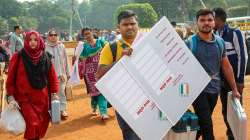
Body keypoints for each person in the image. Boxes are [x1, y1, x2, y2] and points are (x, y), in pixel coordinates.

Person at [185, 9, 241, 140]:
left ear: (214, 22)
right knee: (208, 126)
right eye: (202, 20)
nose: (206, 23)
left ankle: (187, 137)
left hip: (214, 89)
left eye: (209, 20)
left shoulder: (220, 42)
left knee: (202, 123)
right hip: (197, 91)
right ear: (197, 23)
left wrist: (234, 89)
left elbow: (226, 66)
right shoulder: (190, 43)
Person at [6, 30, 59, 140]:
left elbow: (52, 76)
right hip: (25, 99)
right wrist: (10, 96)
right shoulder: (18, 57)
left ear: (39, 41)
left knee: (41, 125)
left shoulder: (45, 57)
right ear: (26, 41)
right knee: (32, 124)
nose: (33, 42)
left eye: (35, 39)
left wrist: (54, 93)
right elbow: (10, 78)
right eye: (30, 40)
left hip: (43, 99)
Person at [96, 10, 140, 140]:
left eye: (132, 23)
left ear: (138, 25)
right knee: (131, 135)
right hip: (124, 101)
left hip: (151, 99)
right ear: (118, 27)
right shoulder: (111, 48)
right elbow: (100, 74)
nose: (130, 27)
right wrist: (120, 60)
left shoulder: (148, 43)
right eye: (125, 24)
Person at [213, 7, 249, 140]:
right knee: (225, 110)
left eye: (212, 18)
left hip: (234, 81)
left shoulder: (235, 32)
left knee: (236, 110)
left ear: (218, 19)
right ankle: (231, 134)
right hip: (221, 81)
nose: (211, 21)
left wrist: (240, 80)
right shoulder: (215, 35)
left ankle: (238, 136)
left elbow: (243, 56)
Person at [80, 27, 109, 120]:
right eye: (85, 34)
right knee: (94, 92)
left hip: (101, 70)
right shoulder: (83, 46)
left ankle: (103, 112)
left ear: (92, 32)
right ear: (83, 36)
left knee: (102, 91)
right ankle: (93, 106)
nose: (88, 35)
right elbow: (81, 59)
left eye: (89, 33)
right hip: (90, 73)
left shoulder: (101, 42)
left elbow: (109, 49)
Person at [45, 30, 70, 120]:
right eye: (51, 35)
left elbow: (66, 60)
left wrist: (68, 73)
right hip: (48, 75)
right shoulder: (44, 47)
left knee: (61, 93)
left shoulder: (61, 46)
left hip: (60, 74)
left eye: (55, 35)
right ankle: (52, 111)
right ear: (48, 36)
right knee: (50, 94)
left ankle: (62, 110)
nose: (53, 36)